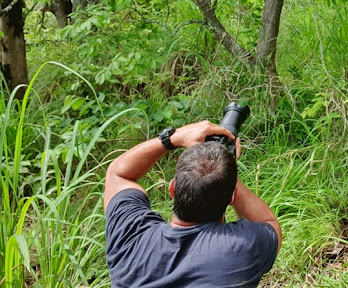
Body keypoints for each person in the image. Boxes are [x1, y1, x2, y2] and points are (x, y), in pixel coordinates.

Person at [104, 120, 282, 288]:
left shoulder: (129, 237)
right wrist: (225, 170)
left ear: (172, 189)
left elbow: (117, 174)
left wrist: (174, 138)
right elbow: (268, 224)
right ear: (232, 197)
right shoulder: (242, 247)